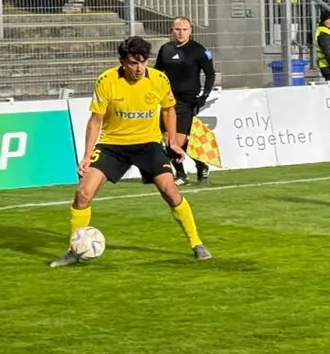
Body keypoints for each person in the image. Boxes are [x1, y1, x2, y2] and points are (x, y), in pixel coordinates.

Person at [50, 36, 210, 266]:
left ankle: (196, 243)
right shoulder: (106, 81)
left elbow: (168, 110)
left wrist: (172, 141)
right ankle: (73, 251)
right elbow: (95, 121)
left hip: (148, 145)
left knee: (171, 192)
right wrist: (86, 155)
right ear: (122, 62)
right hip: (113, 145)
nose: (139, 68)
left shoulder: (158, 79)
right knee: (82, 193)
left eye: (143, 62)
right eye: (133, 63)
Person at [154, 17, 215, 185]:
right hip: (168, 100)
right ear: (172, 30)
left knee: (177, 140)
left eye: (184, 29)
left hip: (187, 101)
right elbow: (157, 72)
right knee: (168, 138)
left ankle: (198, 167)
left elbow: (210, 74)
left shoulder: (199, 50)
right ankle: (183, 174)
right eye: (177, 29)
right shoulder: (165, 49)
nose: (180, 32)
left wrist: (204, 96)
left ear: (190, 31)